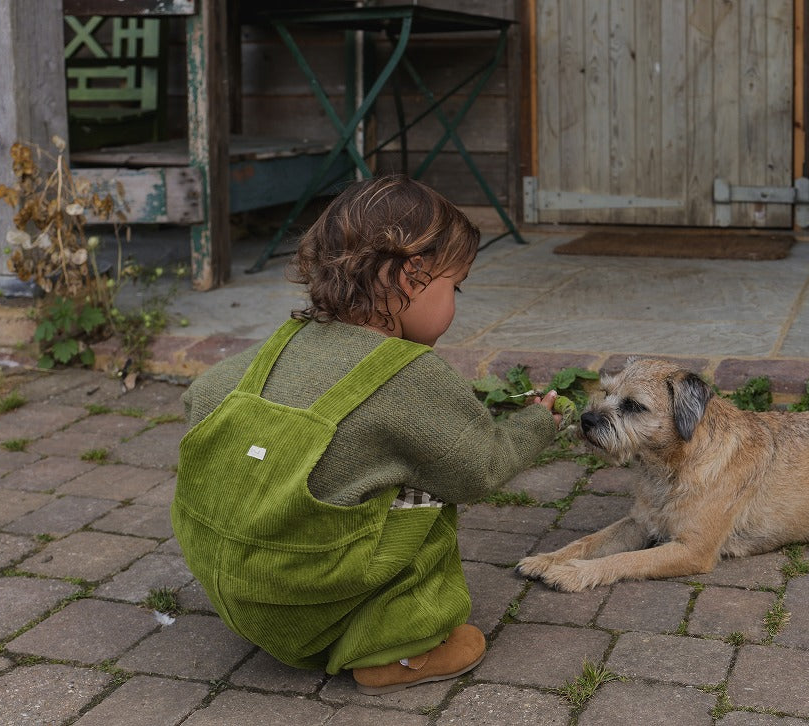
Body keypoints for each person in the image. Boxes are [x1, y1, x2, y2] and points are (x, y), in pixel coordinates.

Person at [172, 175, 560, 695]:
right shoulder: (411, 374)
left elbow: (199, 394)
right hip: (319, 607)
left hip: (247, 599)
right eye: (455, 286)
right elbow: (479, 468)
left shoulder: (282, 345)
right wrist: (537, 423)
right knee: (428, 490)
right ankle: (400, 650)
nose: (455, 303)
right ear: (412, 277)